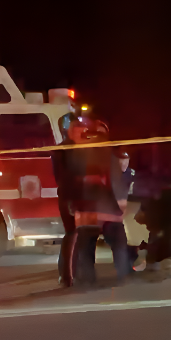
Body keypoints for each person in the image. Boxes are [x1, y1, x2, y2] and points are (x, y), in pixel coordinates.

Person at [65, 118, 132, 284]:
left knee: (86, 244)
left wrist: (73, 204)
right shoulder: (112, 152)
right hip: (108, 206)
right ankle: (124, 275)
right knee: (118, 242)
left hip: (86, 207)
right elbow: (118, 179)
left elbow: (70, 180)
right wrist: (121, 203)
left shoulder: (78, 151)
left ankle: (87, 278)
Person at [51, 113, 78, 286]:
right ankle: (68, 277)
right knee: (73, 234)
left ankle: (66, 274)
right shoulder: (72, 149)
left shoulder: (60, 149)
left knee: (71, 234)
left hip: (65, 195)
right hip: (72, 196)